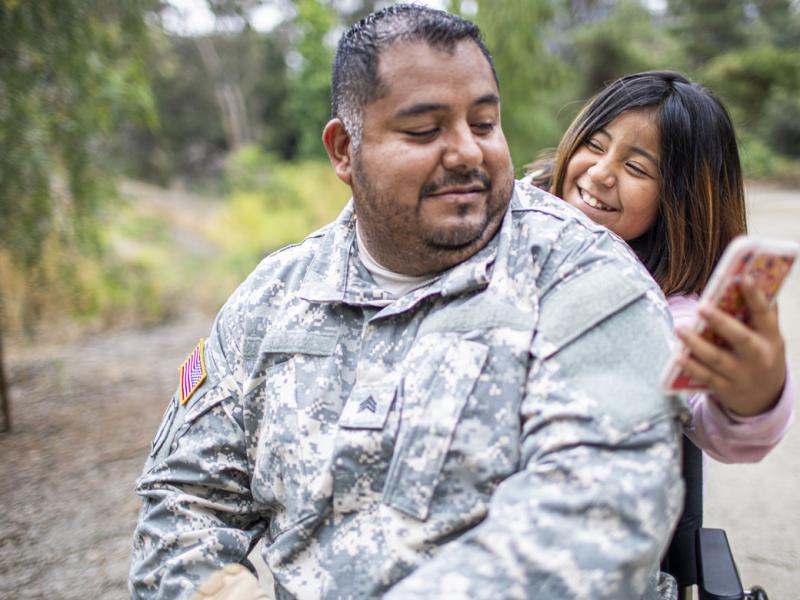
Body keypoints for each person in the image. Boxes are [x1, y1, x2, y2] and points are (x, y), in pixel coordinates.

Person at [130, 7, 687, 599]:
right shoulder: (271, 299)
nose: (467, 152)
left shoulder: (586, 276)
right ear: (344, 149)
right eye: (424, 131)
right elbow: (184, 501)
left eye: (484, 123)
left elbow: (602, 516)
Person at [524, 71, 794, 464]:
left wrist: (755, 397)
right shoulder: (516, 206)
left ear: (678, 204)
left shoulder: (666, 311)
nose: (600, 173)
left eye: (636, 168)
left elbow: (711, 416)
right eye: (595, 145)